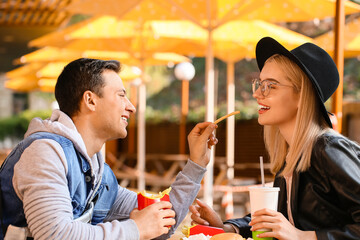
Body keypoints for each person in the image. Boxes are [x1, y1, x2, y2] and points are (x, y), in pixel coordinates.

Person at [0, 58, 219, 240]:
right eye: (121, 95)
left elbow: (161, 222)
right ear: (90, 101)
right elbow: (54, 235)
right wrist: (136, 228)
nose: (131, 106)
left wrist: (196, 165)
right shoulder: (45, 152)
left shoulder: (98, 173)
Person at [189, 37, 360, 240]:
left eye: (271, 85)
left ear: (302, 95)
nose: (257, 94)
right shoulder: (292, 156)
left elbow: (294, 231)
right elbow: (278, 219)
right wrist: (228, 228)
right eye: (260, 83)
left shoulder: (329, 149)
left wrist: (303, 237)